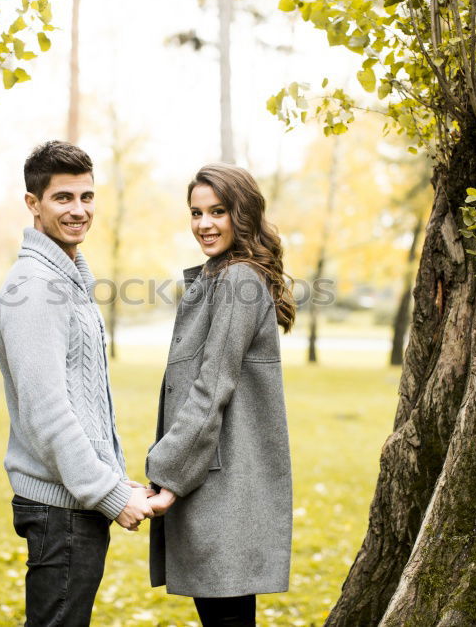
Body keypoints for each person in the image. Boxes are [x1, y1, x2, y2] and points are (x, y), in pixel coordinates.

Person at [0, 141, 154, 626]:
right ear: (33, 204)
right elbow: (47, 412)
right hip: (59, 509)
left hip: (72, 501)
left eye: (86, 197)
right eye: (63, 198)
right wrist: (108, 493)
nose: (78, 210)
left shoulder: (64, 280)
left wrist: (111, 478)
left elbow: (83, 399)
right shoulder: (36, 288)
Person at [145, 163, 296, 626]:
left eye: (218, 211)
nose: (204, 225)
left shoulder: (237, 281)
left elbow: (212, 388)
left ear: (242, 213)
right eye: (196, 212)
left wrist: (167, 475)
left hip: (221, 484)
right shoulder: (217, 276)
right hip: (212, 477)